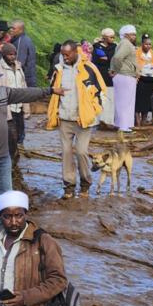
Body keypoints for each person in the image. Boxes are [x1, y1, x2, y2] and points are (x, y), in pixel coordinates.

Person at [46, 41, 106, 199]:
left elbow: (101, 91)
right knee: (66, 153)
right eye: (62, 55)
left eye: (67, 55)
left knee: (81, 152)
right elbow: (53, 91)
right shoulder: (58, 70)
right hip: (65, 118)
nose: (64, 58)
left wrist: (94, 113)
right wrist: (54, 113)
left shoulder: (89, 68)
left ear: (75, 52)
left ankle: (85, 184)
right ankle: (69, 187)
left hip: (84, 120)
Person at [0, 64, 56, 209]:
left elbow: (25, 93)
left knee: (5, 195)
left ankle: (1, 225)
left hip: (3, 156)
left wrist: (49, 90)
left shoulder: (2, 92)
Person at [0, 44, 32, 182]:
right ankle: (6, 171)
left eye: (14, 54)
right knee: (10, 141)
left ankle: (13, 169)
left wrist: (26, 108)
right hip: (6, 112)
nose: (13, 57)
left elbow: (24, 88)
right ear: (3, 55)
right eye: (10, 54)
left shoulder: (19, 67)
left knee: (19, 139)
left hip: (18, 109)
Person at [109, 25, 137, 133]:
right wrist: (116, 69)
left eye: (134, 34)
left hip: (125, 75)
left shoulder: (125, 43)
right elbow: (117, 58)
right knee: (124, 102)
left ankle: (124, 124)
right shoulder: (126, 43)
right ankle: (123, 126)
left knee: (126, 101)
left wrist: (114, 69)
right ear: (126, 35)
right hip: (124, 75)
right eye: (132, 34)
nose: (134, 36)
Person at [92, 28, 117, 127]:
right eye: (111, 37)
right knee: (99, 98)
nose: (113, 39)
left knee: (110, 98)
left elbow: (110, 58)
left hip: (110, 76)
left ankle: (109, 121)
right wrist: (105, 58)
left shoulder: (114, 46)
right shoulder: (96, 46)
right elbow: (96, 60)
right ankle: (99, 120)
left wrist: (105, 57)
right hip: (99, 75)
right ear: (105, 38)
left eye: (114, 37)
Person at [134, 35, 153, 127]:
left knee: (147, 102)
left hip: (150, 81)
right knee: (138, 102)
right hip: (140, 80)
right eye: (146, 44)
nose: (148, 46)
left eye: (150, 44)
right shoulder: (137, 52)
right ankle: (137, 121)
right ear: (142, 44)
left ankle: (144, 120)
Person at [9, 21, 35, 89]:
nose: (11, 30)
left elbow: (18, 63)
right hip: (27, 78)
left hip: (24, 79)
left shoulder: (22, 42)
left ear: (20, 30)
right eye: (10, 28)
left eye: (13, 28)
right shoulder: (21, 39)